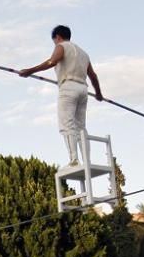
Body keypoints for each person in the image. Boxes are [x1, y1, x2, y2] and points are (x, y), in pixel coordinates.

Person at [18, 25, 103, 165]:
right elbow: (93, 76)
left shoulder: (61, 46)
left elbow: (52, 61)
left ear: (57, 37)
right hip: (83, 89)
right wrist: (98, 93)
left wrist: (30, 71)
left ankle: (74, 160)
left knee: (67, 124)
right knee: (81, 127)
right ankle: (87, 161)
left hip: (68, 87)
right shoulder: (83, 53)